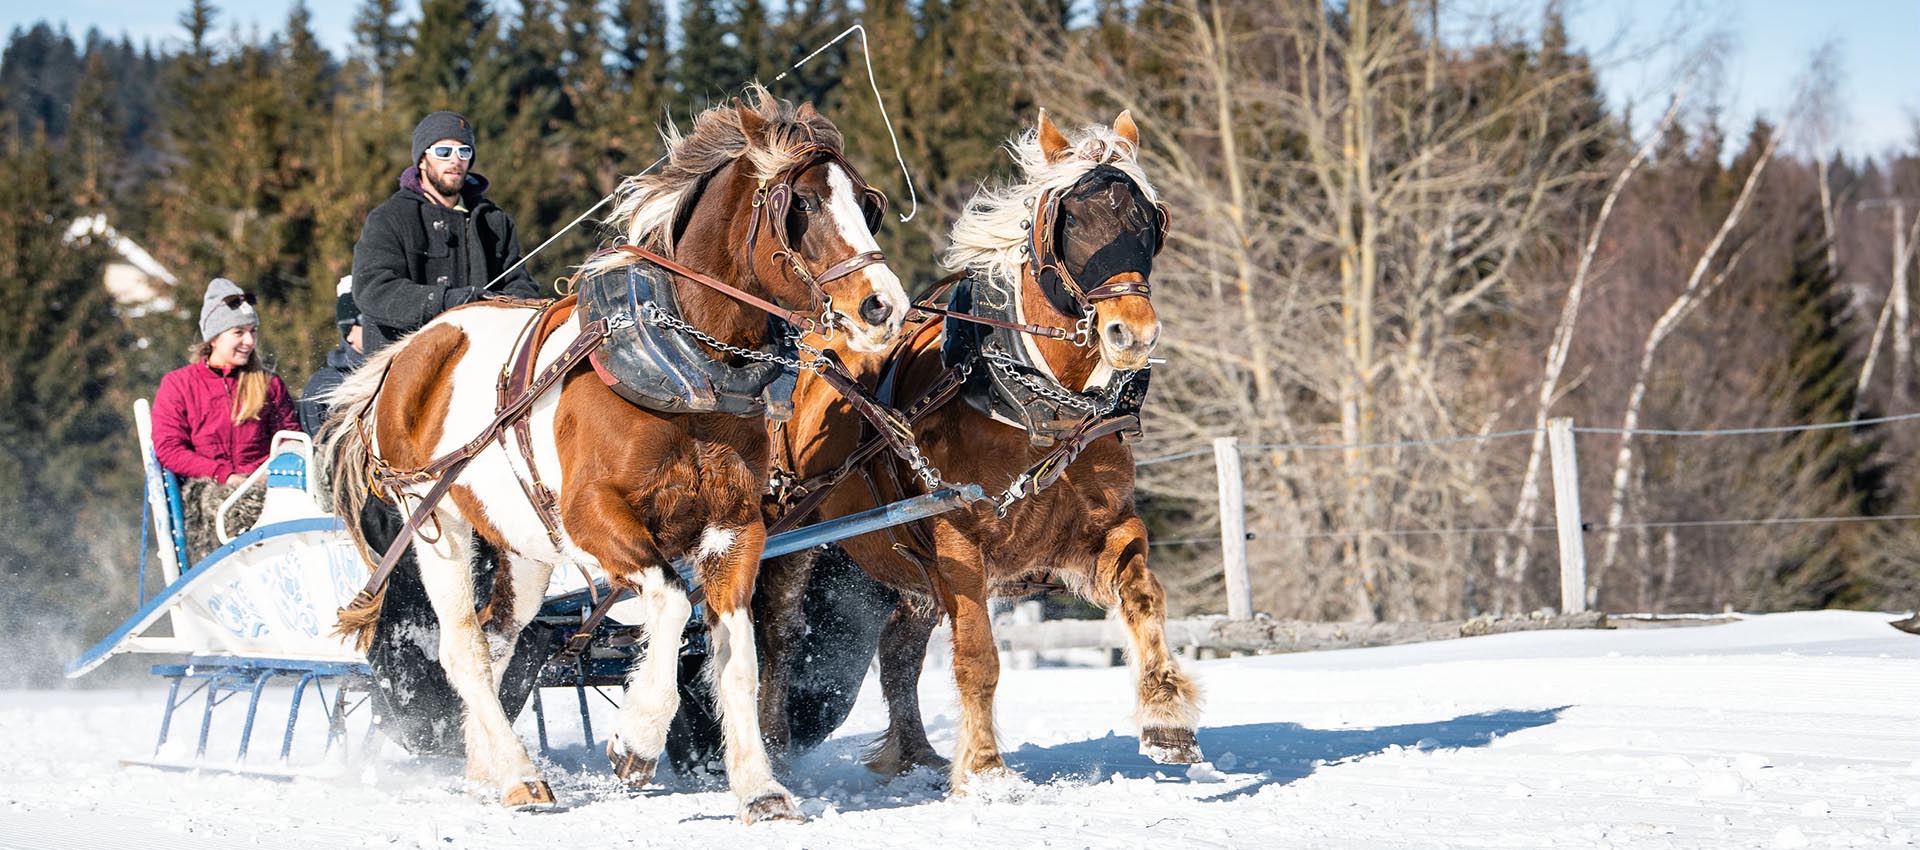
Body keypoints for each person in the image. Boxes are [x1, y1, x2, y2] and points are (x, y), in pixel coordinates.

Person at [351, 110, 541, 353]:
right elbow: (373, 289)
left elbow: (519, 283)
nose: (455, 160)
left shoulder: (494, 221)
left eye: (464, 151)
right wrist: (444, 301)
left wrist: (507, 306)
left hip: (479, 358)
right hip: (401, 364)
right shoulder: (389, 218)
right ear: (422, 160)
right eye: (444, 152)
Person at [151, 278, 301, 560]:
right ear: (214, 337)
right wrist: (225, 476)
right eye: (239, 332)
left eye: (253, 331)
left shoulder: (268, 384)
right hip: (209, 490)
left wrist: (274, 470)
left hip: (263, 487)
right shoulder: (179, 385)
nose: (249, 341)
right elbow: (169, 448)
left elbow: (290, 440)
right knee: (222, 506)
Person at [298, 275, 366, 436]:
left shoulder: (399, 372)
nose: (378, 330)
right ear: (349, 331)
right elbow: (315, 446)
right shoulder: (324, 386)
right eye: (368, 323)